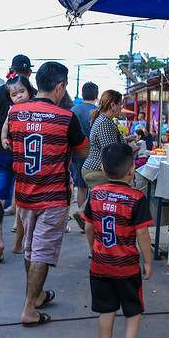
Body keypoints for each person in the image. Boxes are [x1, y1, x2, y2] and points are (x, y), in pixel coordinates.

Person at [6, 61, 89, 327]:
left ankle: (38, 295)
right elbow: (84, 151)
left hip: (25, 193)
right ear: (60, 86)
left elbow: (8, 141)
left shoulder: (16, 113)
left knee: (31, 249)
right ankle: (29, 309)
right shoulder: (66, 118)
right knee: (40, 253)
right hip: (52, 196)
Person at [84, 143, 152, 338]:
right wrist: (148, 261)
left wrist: (94, 250)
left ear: (103, 169)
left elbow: (88, 227)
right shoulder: (136, 198)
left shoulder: (94, 194)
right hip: (127, 267)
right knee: (133, 309)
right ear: (132, 170)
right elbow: (142, 233)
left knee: (106, 310)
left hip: (100, 266)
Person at [0, 54, 33, 247]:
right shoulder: (32, 94)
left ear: (12, 69)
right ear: (29, 72)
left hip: (1, 154)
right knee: (22, 199)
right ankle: (18, 242)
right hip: (26, 154)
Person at [82, 90, 140, 190]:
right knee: (99, 202)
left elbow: (110, 142)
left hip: (98, 169)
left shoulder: (105, 121)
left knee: (97, 202)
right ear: (113, 105)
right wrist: (130, 150)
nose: (121, 108)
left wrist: (126, 140)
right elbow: (111, 152)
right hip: (97, 170)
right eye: (120, 104)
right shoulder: (105, 123)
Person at [70, 82, 99, 231]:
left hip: (76, 153)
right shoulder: (98, 112)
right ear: (97, 95)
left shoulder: (73, 110)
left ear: (82, 95)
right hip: (95, 154)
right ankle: (84, 214)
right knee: (96, 187)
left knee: (81, 186)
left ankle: (82, 219)